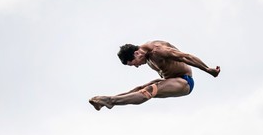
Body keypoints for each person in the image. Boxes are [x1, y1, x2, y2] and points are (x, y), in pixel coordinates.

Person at [89, 40, 220, 110]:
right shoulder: (146, 56)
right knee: (139, 89)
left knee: (149, 91)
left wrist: (208, 70)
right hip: (171, 80)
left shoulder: (157, 50)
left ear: (136, 53)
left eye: (134, 64)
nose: (136, 66)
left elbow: (186, 57)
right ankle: (108, 101)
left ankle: (111, 101)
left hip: (184, 82)